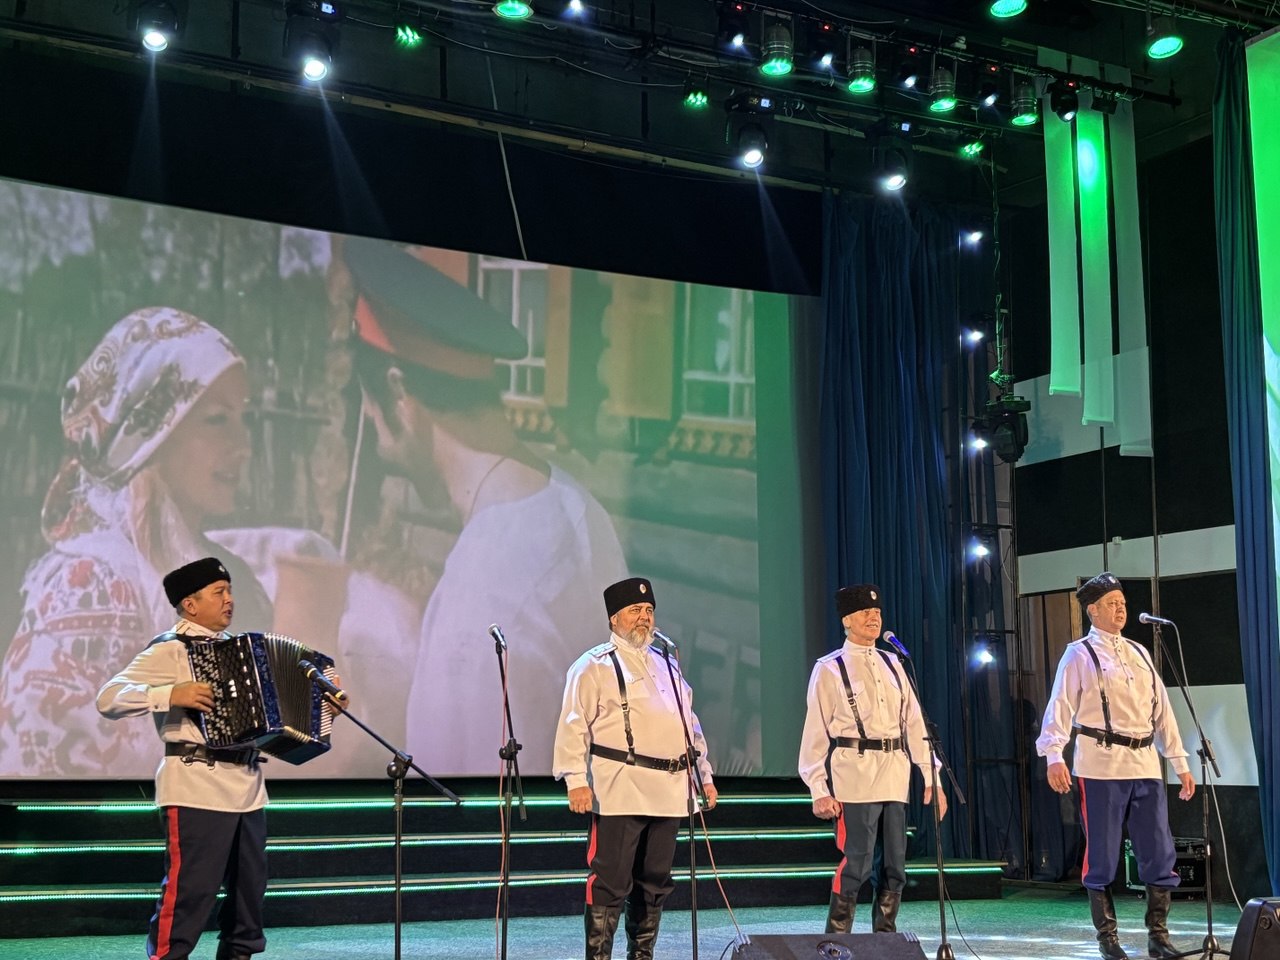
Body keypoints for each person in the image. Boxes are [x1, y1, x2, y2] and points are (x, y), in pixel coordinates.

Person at [343, 237, 627, 775]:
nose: (377, 440)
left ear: (398, 393)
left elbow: (476, 811)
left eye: (370, 409)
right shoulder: (576, 506)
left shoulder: (477, 606)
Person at [0, 307, 272, 777]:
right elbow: (47, 766)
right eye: (216, 420)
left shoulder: (222, 569)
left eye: (242, 418)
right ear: (150, 432)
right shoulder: (87, 582)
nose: (244, 445)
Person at [97, 557, 329, 960]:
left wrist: (322, 705)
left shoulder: (243, 651)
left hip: (248, 789)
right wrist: (170, 694)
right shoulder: (170, 649)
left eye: (230, 590)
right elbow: (109, 699)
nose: (229, 599)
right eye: (219, 592)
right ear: (190, 604)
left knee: (248, 898)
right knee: (189, 895)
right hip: (195, 786)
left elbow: (275, 717)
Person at [553, 577, 717, 960]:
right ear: (614, 618)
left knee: (655, 881)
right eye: (634, 611)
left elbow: (689, 725)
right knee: (611, 880)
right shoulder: (593, 665)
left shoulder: (668, 664)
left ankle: (642, 955)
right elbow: (573, 724)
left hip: (670, 789)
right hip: (620, 788)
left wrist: (704, 777)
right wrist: (575, 780)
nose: (644, 617)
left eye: (648, 610)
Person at [1036, 572, 1196, 960]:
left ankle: (1158, 936)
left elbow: (1162, 712)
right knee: (1103, 854)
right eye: (1112, 603)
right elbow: (1060, 707)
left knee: (1158, 850)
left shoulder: (1139, 653)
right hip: (1101, 766)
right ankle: (1107, 939)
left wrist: (1179, 762)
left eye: (1122, 602)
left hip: (1144, 764)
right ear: (1093, 610)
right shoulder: (1078, 654)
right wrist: (1054, 755)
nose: (1120, 609)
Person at [797, 583, 944, 935]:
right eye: (865, 612)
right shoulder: (830, 668)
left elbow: (914, 723)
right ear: (847, 619)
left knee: (895, 864)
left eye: (877, 612)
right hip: (855, 775)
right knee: (857, 863)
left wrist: (932, 776)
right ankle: (837, 939)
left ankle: (885, 938)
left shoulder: (894, 663)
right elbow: (815, 732)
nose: (873, 617)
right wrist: (819, 789)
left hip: (894, 773)